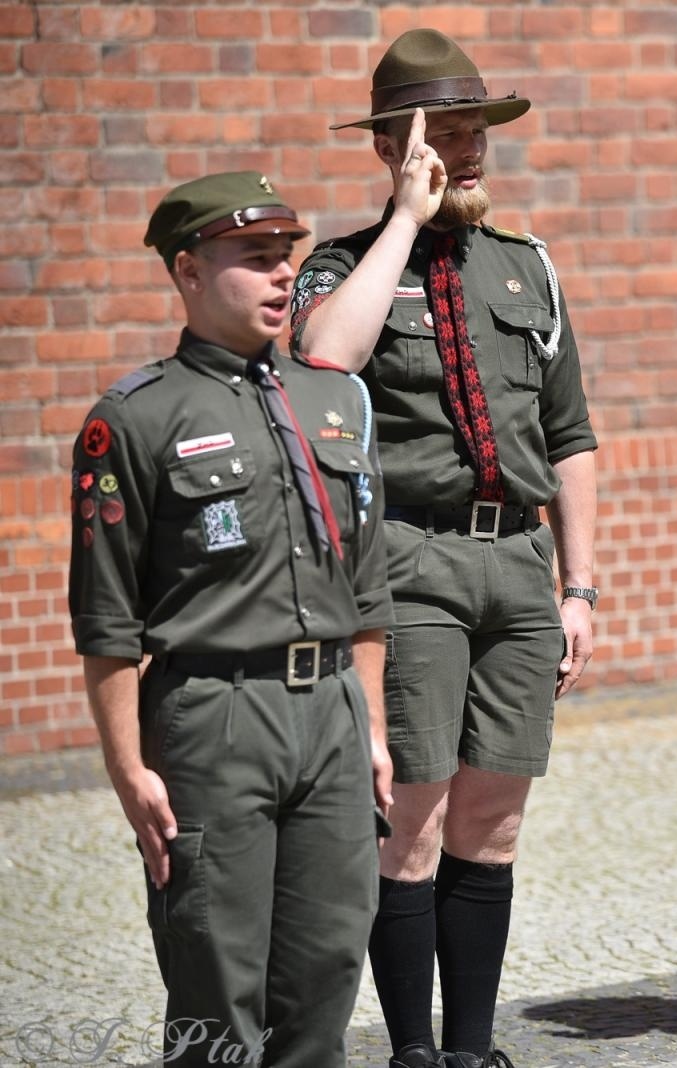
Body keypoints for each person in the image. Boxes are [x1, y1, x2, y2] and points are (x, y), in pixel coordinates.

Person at [292, 28, 598, 1068]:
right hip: (410, 566)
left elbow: (571, 439)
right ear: (392, 148)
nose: (468, 154)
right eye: (444, 137)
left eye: (477, 135)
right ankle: (412, 1055)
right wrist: (406, 224)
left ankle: (470, 1051)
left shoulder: (527, 268)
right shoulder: (345, 267)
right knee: (410, 822)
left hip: (517, 564)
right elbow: (326, 357)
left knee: (493, 824)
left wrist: (581, 585)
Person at [68, 172, 392, 1066]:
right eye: (253, 259)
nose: (282, 275)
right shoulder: (133, 420)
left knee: (327, 973)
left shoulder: (332, 402)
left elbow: (368, 589)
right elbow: (107, 620)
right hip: (213, 718)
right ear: (188, 272)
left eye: (284, 256)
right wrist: (129, 767)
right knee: (216, 987)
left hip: (330, 715)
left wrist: (369, 726)